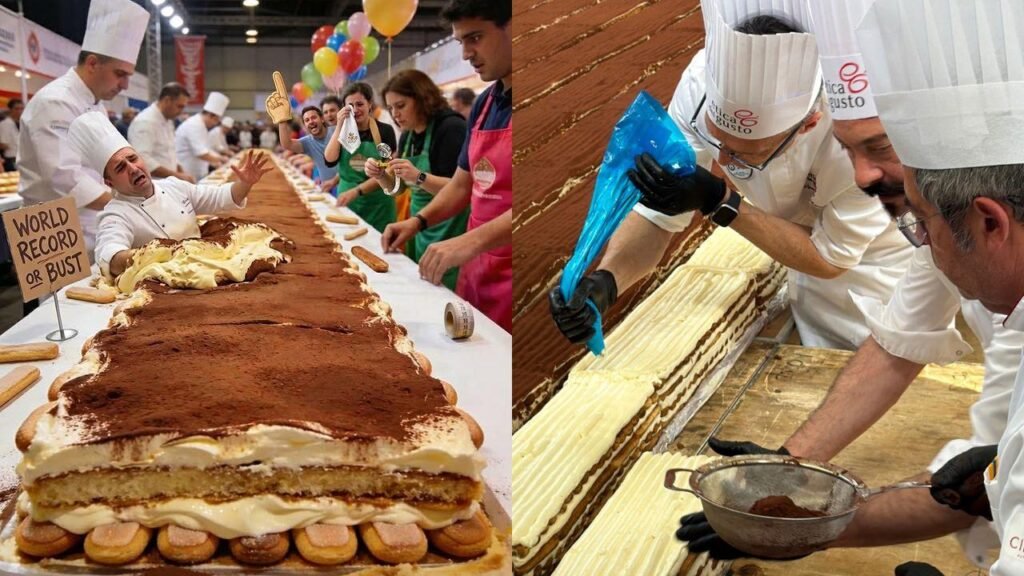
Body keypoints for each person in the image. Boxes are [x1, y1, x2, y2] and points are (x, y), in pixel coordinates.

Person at [676, 0, 1023, 568]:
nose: (862, 175)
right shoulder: (965, 231)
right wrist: (791, 479)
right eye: (850, 149)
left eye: (879, 148)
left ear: (988, 222)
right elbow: (898, 342)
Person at [549, 0, 914, 352]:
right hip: (792, 237)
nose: (723, 159)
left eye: (744, 154)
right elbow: (658, 216)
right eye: (719, 142)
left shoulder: (858, 139)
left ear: (808, 125)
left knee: (879, 353)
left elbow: (831, 257)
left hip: (877, 263)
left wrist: (723, 203)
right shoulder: (699, 89)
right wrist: (607, 282)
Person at [381, 0, 512, 330]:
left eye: (475, 38)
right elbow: (461, 185)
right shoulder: (484, 105)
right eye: (461, 42)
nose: (467, 53)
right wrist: (418, 222)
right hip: (476, 264)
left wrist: (470, 242)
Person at [69, 111, 271, 278]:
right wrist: (158, 254)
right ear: (109, 182)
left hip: (205, 271)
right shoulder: (115, 214)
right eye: (121, 167)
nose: (133, 168)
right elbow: (110, 256)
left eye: (133, 159)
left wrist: (244, 183)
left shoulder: (174, 186)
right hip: (164, 285)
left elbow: (221, 198)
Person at [17, 0, 149, 255]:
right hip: (52, 229)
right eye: (120, 74)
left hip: (93, 220)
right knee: (58, 296)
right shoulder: (54, 101)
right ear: (92, 63)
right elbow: (65, 178)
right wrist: (129, 203)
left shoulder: (94, 104)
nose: (124, 86)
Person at [366, 69, 468, 291]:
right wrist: (381, 176)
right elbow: (398, 190)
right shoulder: (409, 135)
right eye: (391, 108)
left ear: (423, 99)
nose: (395, 115)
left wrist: (419, 176)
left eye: (401, 106)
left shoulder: (450, 129)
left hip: (449, 229)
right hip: (419, 226)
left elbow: (461, 190)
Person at [323, 82, 398, 232]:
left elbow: (389, 171)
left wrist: (357, 191)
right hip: (348, 201)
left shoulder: (384, 131)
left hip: (377, 205)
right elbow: (330, 160)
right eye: (350, 106)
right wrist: (339, 126)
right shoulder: (342, 133)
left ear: (370, 104)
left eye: (360, 104)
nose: (355, 110)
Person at [128, 82, 193, 182]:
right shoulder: (145, 121)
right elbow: (142, 160)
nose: (181, 111)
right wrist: (177, 176)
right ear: (167, 100)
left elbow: (170, 152)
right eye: (179, 106)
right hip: (154, 184)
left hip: (169, 182)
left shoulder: (168, 120)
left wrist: (181, 173)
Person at [274, 104, 335, 194]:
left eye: (313, 117)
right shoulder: (308, 141)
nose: (311, 121)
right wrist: (282, 121)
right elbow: (287, 144)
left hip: (343, 185)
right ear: (305, 125)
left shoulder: (335, 131)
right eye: (307, 120)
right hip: (327, 187)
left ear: (322, 119)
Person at [175, 92, 230, 181]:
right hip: (187, 171)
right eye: (216, 120)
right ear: (211, 116)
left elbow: (206, 149)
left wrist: (216, 160)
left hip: (198, 171)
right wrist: (221, 159)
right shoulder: (194, 125)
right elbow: (201, 153)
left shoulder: (202, 126)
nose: (215, 124)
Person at [318, 95, 343, 194]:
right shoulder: (328, 131)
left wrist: (334, 181)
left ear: (340, 111)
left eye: (332, 110)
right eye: (325, 112)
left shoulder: (349, 132)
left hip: (345, 185)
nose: (329, 115)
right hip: (331, 184)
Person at [0, 98, 23, 172]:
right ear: (10, 109)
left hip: (21, 158)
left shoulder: (22, 123)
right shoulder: (5, 124)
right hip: (11, 159)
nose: (19, 111)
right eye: (16, 109)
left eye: (21, 108)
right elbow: (3, 145)